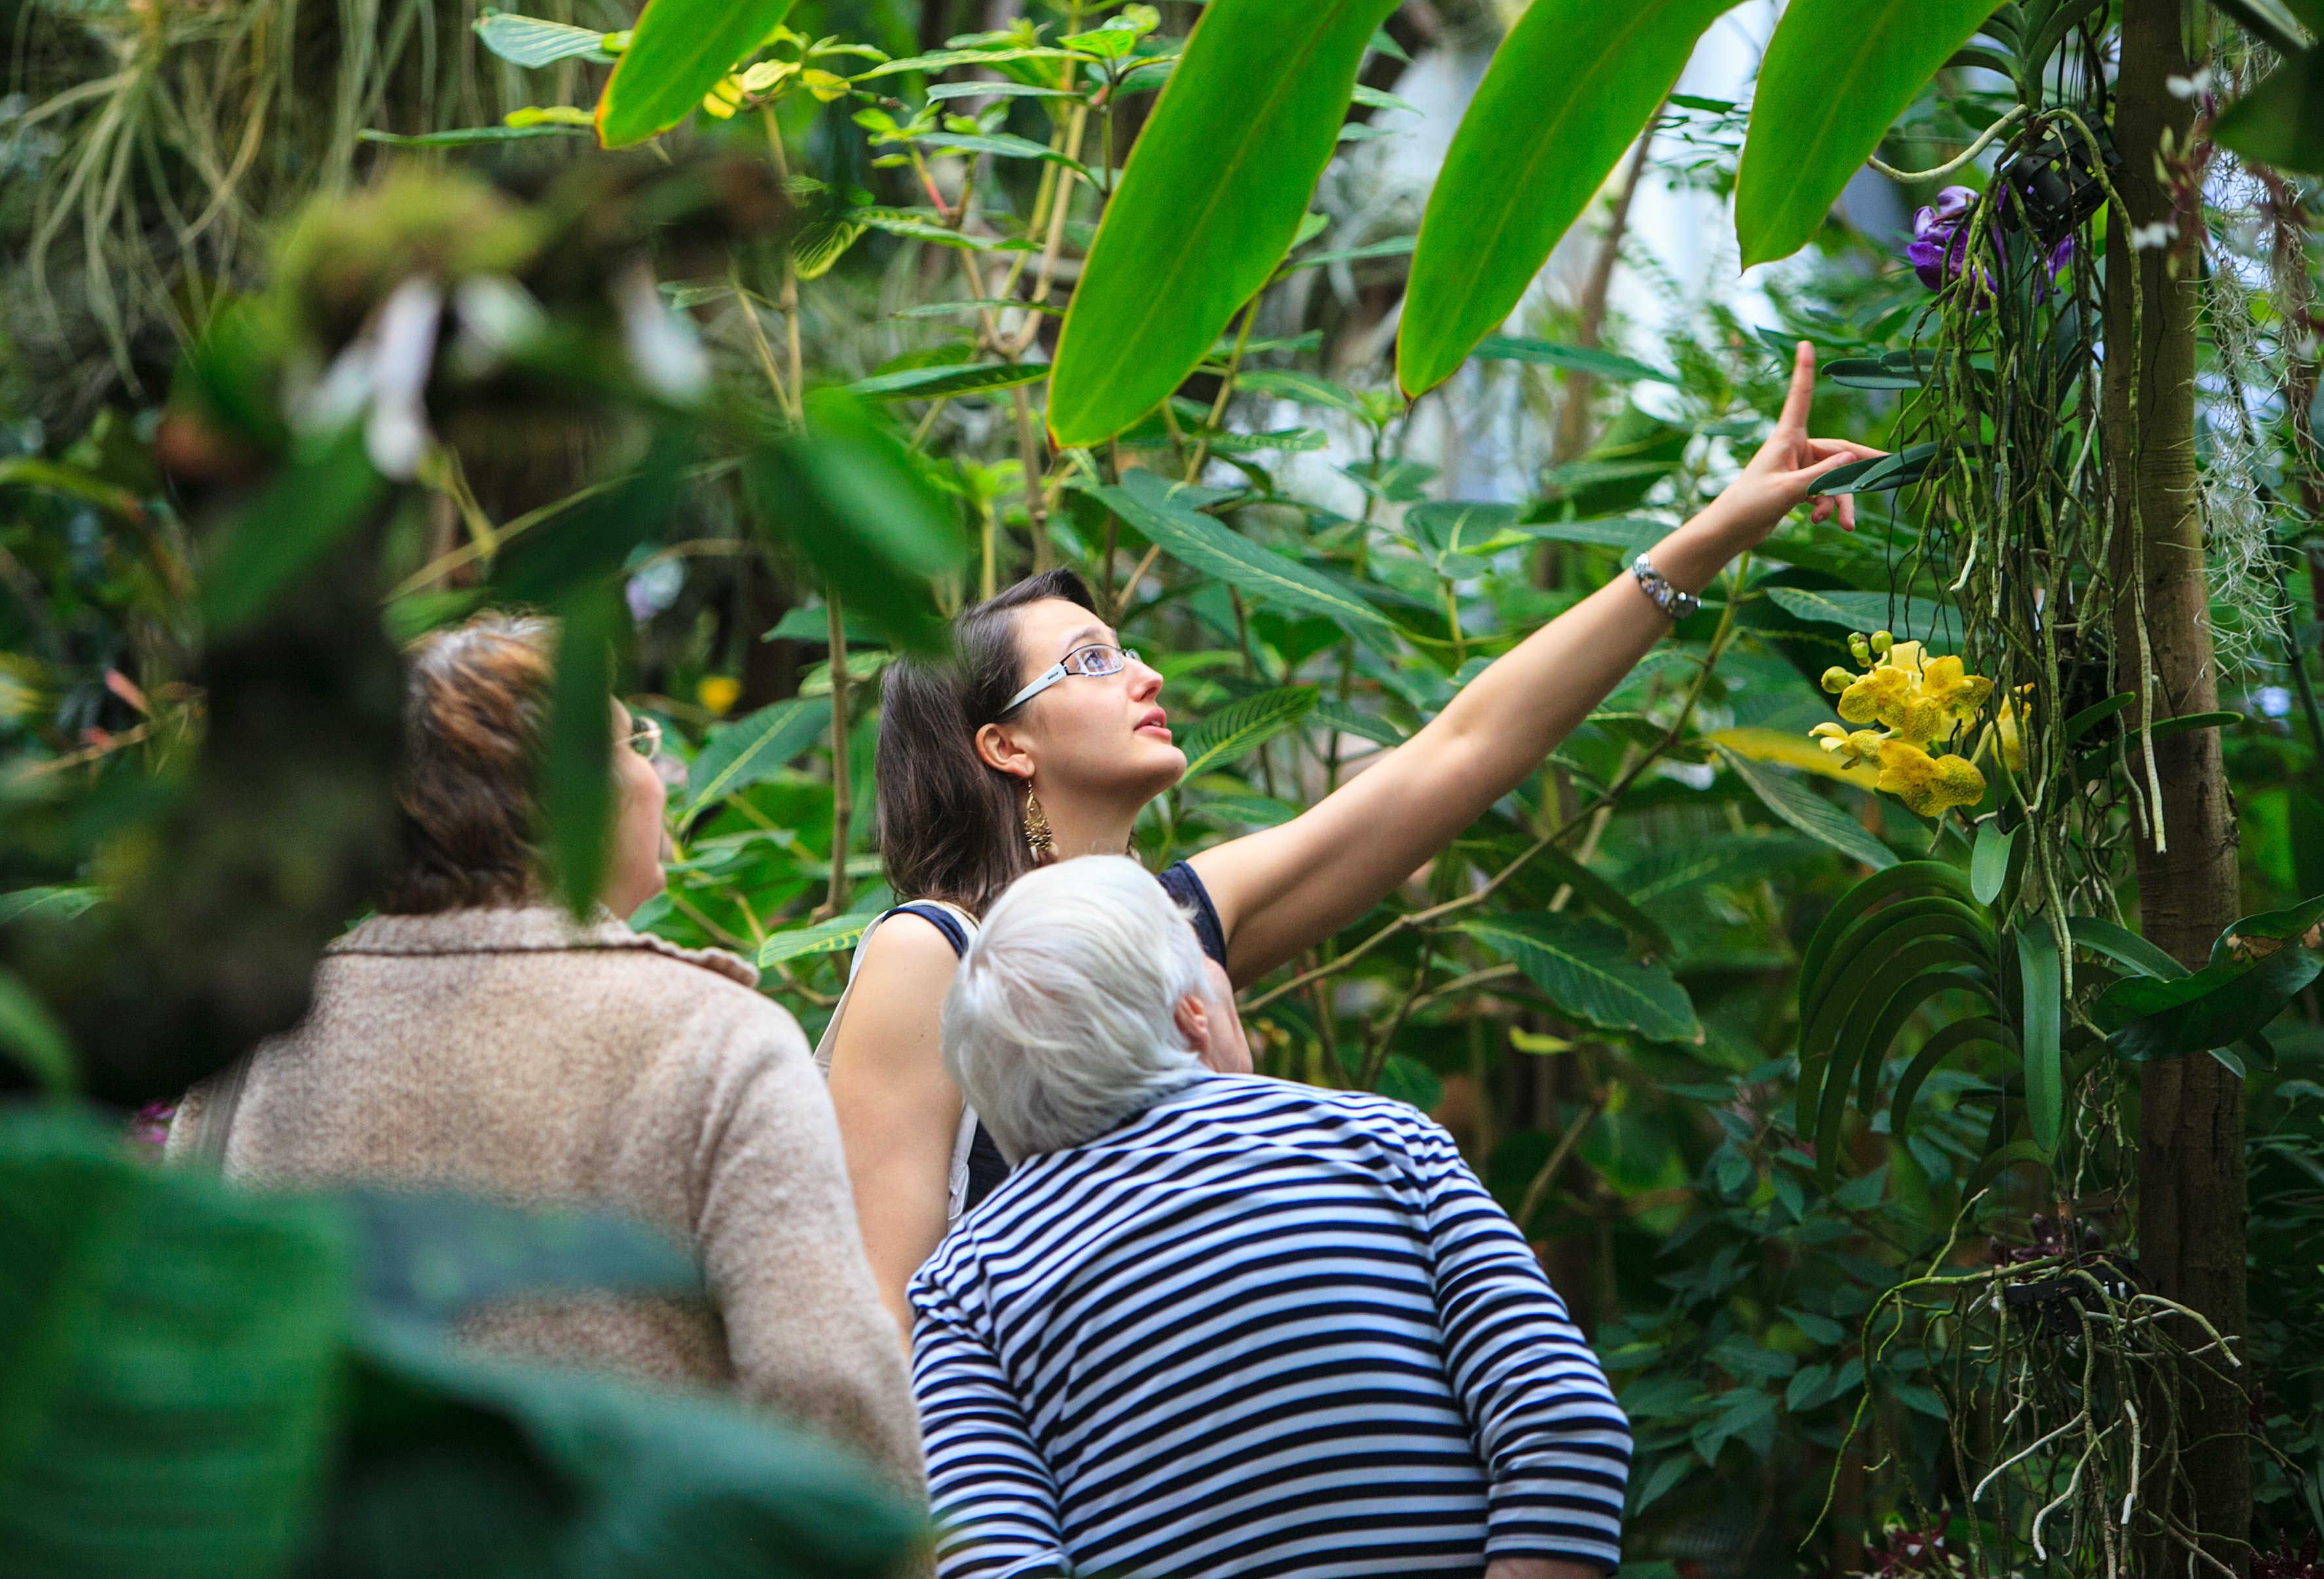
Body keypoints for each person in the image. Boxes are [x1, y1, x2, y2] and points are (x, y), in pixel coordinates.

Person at [826, 342, 1879, 1330]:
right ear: (1005, 748)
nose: (1147, 676)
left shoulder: (1181, 920)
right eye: (1095, 663)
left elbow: (1459, 751)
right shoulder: (930, 955)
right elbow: (882, 1318)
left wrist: (1712, 534)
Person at [166, 612, 923, 1491]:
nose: (657, 772)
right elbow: (823, 1380)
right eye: (633, 741)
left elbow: (178, 1347)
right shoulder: (712, 1035)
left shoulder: (251, 1040)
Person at [912, 856, 1632, 1578]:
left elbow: (997, 1564)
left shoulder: (967, 1284)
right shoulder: (1385, 1143)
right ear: (1193, 1016)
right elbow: (1566, 1421)